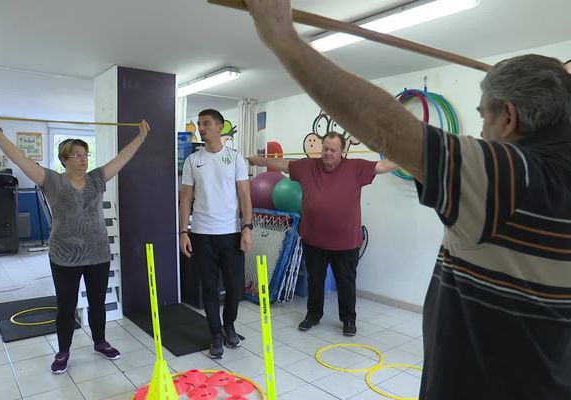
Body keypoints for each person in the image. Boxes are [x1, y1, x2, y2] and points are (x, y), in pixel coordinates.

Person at [242, 1, 571, 398]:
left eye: (484, 116)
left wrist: (282, 37)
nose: (483, 131)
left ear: (509, 118)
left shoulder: (512, 175)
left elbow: (387, 128)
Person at [0, 111, 150, 374]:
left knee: (98, 303)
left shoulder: (97, 178)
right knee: (66, 306)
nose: (84, 159)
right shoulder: (52, 180)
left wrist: (140, 137)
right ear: (64, 159)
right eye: (77, 155)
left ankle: (100, 342)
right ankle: (63, 351)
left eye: (86, 155)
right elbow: (20, 158)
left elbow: (121, 159)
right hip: (64, 256)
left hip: (98, 254)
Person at [248, 132, 399, 336]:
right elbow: (283, 165)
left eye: (333, 150)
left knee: (346, 283)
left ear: (342, 151)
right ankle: (313, 315)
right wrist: (257, 159)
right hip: (314, 240)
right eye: (325, 148)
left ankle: (348, 320)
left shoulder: (355, 167)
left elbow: (381, 167)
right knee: (315, 280)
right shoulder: (308, 166)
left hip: (346, 242)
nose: (328, 153)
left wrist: (412, 157)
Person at [179, 109, 253, 359]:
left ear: (220, 127)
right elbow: (186, 197)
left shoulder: (235, 158)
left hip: (231, 234)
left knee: (234, 288)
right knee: (209, 288)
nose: (201, 128)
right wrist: (183, 231)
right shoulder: (192, 161)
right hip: (201, 233)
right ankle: (216, 334)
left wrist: (247, 228)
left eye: (206, 124)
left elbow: (244, 195)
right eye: (199, 124)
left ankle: (229, 325)